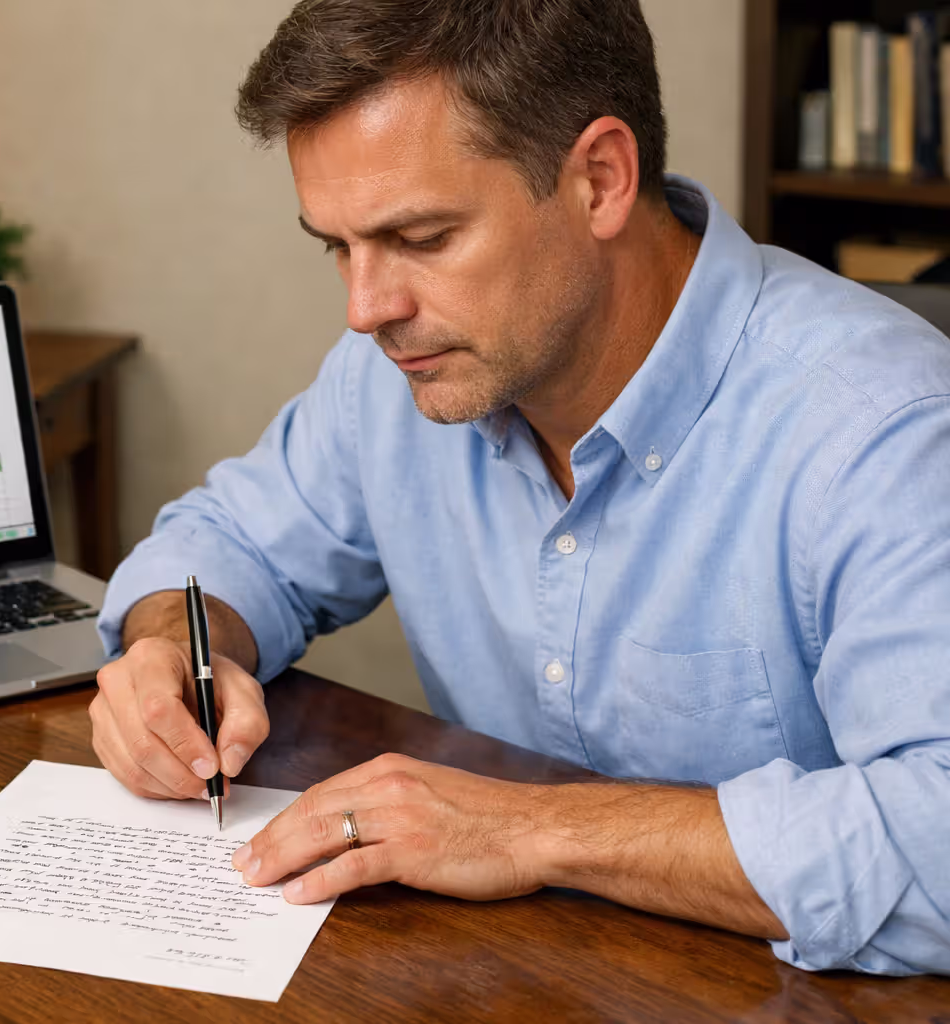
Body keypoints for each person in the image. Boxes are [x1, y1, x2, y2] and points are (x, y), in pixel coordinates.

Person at [89, 0, 950, 976]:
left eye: (420, 237)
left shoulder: (884, 428)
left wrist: (533, 829)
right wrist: (170, 645)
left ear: (600, 179)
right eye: (336, 244)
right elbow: (229, 542)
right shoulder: (392, 377)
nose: (367, 308)